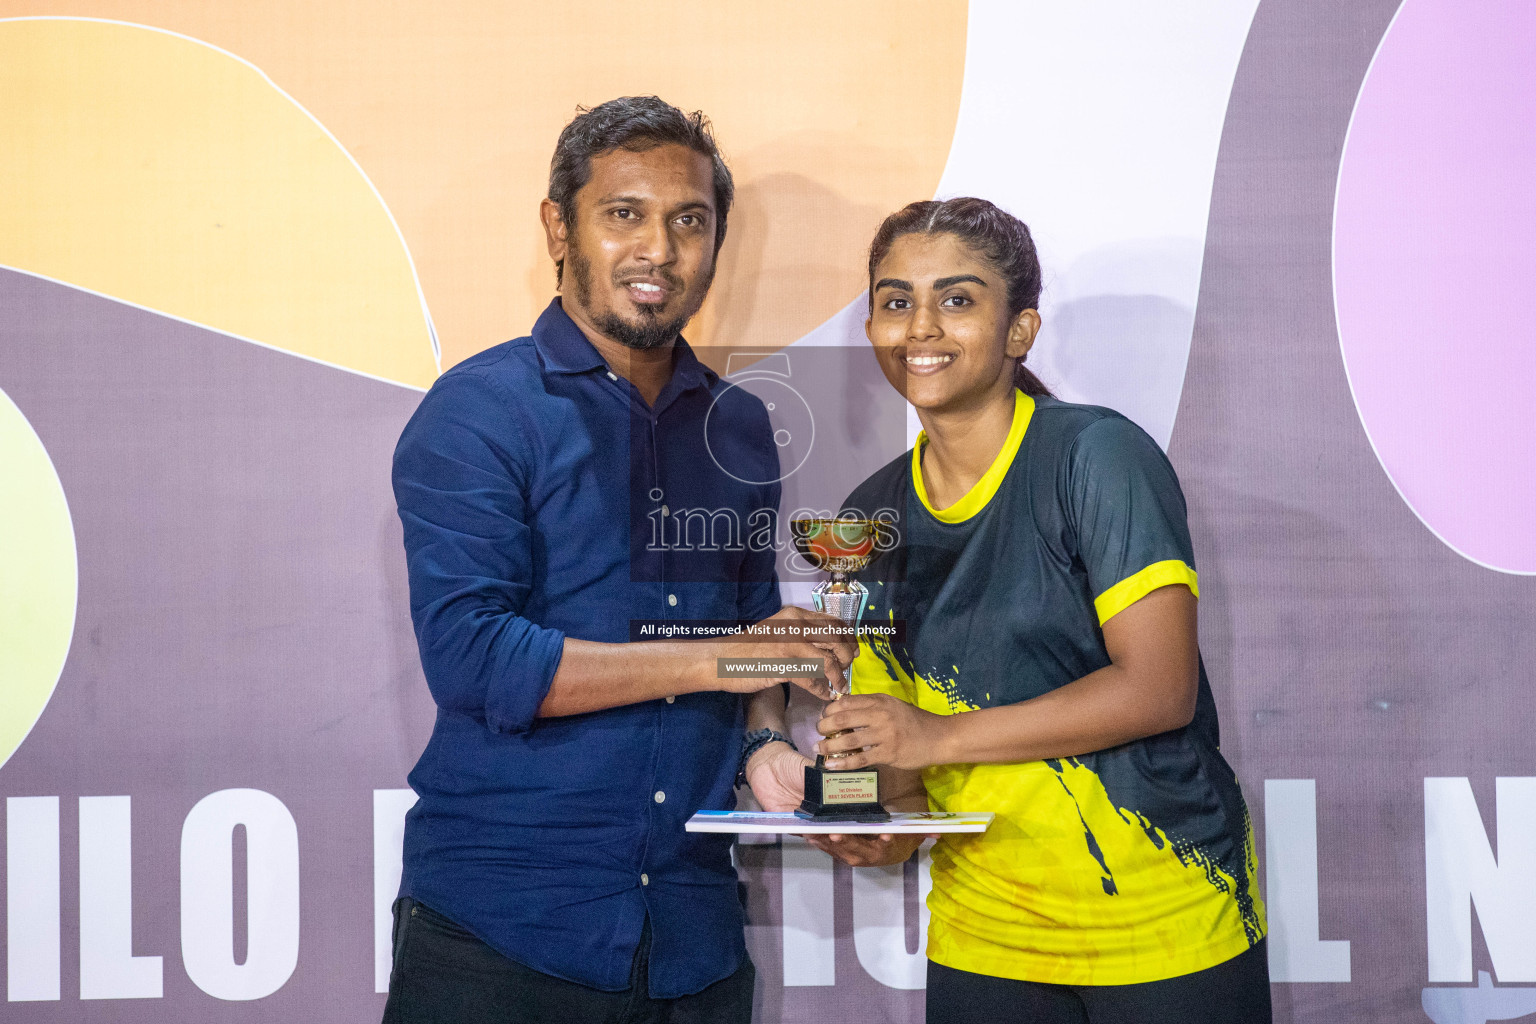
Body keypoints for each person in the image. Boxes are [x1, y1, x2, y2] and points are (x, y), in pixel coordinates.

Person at [384, 96, 849, 1024]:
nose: (659, 251)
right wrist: (730, 658)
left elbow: (751, 629)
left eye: (689, 221)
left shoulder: (741, 427)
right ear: (560, 227)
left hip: (691, 937)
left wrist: (763, 737)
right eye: (623, 214)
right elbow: (477, 660)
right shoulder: (479, 412)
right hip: (504, 936)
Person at [806, 198, 1272, 1023]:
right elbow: (902, 758)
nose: (921, 326)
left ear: (1020, 330)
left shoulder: (1096, 453)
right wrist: (877, 824)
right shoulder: (867, 514)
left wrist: (934, 735)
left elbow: (1157, 689)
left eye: (957, 299)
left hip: (1162, 923)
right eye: (895, 300)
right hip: (982, 937)